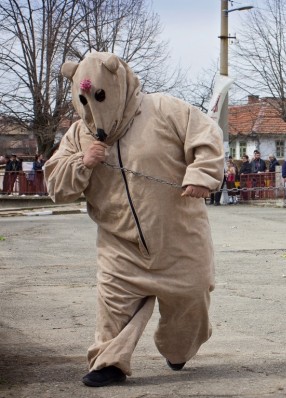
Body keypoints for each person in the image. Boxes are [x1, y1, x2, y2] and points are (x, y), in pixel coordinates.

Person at [44, 52, 224, 387]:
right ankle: (109, 362)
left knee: (191, 302)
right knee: (112, 306)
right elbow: (56, 184)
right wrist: (82, 162)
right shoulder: (78, 135)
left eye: (97, 96)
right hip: (119, 245)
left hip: (179, 238)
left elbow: (207, 138)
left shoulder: (165, 109)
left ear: (117, 81)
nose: (90, 108)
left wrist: (202, 173)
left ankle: (178, 349)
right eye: (82, 99)